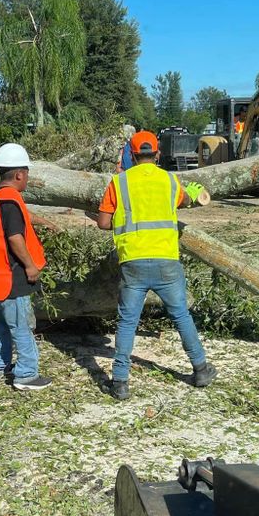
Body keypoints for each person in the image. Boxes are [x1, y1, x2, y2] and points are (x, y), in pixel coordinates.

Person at [97, 131, 216, 400]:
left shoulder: (119, 183)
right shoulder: (170, 180)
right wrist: (193, 193)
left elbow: (104, 223)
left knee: (127, 322)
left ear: (132, 154)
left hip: (133, 262)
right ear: (158, 153)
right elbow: (184, 200)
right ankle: (200, 368)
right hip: (166, 260)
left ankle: (120, 382)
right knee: (181, 315)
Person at [0, 143, 52, 392]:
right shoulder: (10, 199)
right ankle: (26, 374)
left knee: (0, 324)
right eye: (27, 173)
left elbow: (18, 220)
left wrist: (44, 221)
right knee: (21, 327)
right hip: (11, 277)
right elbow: (15, 237)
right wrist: (30, 266)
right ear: (19, 175)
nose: (27, 177)